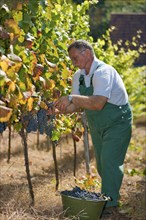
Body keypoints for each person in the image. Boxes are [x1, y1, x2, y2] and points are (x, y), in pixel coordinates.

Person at [54, 40, 132, 216]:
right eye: (72, 59)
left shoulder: (104, 72)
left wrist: (71, 98)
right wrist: (59, 110)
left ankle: (110, 206)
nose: (73, 63)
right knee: (102, 166)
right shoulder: (78, 76)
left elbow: (97, 103)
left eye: (75, 58)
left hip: (117, 121)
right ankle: (109, 197)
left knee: (110, 161)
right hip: (97, 123)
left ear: (87, 53)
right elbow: (76, 106)